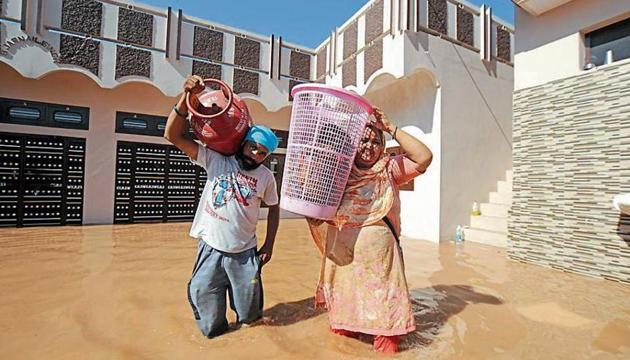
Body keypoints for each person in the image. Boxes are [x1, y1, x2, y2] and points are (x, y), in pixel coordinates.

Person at [307, 107, 433, 353]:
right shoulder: (337, 174)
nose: (370, 146)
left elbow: (424, 157)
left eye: (376, 141)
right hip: (343, 263)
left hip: (381, 268)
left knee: (386, 331)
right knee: (343, 337)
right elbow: (314, 212)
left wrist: (391, 128)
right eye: (363, 139)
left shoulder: (390, 169)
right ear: (352, 143)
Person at [164, 75, 280, 338]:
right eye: (253, 148)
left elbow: (274, 208)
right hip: (211, 249)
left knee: (250, 318)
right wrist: (186, 97)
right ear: (244, 143)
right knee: (209, 320)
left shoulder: (265, 177)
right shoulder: (215, 159)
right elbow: (171, 135)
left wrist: (269, 245)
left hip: (245, 253)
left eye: (263, 153)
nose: (256, 155)